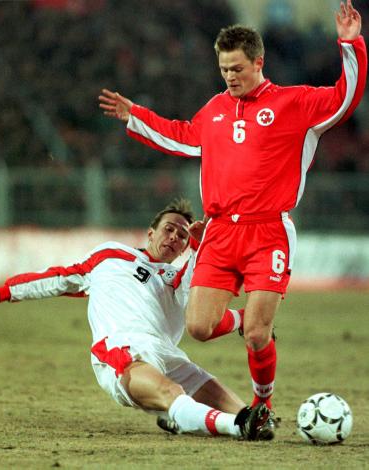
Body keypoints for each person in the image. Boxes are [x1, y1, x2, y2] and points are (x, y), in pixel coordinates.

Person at [98, 0, 367, 421]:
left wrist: (350, 45)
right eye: (224, 69)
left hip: (268, 232)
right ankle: (243, 320)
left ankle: (262, 404)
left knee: (258, 335)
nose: (230, 76)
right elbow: (183, 136)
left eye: (237, 68)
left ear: (259, 62)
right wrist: (136, 116)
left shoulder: (294, 103)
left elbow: (343, 98)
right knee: (199, 327)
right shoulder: (215, 109)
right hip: (220, 232)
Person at [0, 199, 273, 440]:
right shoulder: (111, 256)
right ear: (150, 232)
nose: (174, 237)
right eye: (169, 229)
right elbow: (60, 278)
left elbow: (198, 309)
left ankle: (222, 420)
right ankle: (233, 427)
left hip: (167, 354)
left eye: (182, 236)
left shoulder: (177, 279)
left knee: (245, 411)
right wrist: (3, 292)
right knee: (174, 395)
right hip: (122, 349)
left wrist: (202, 248)